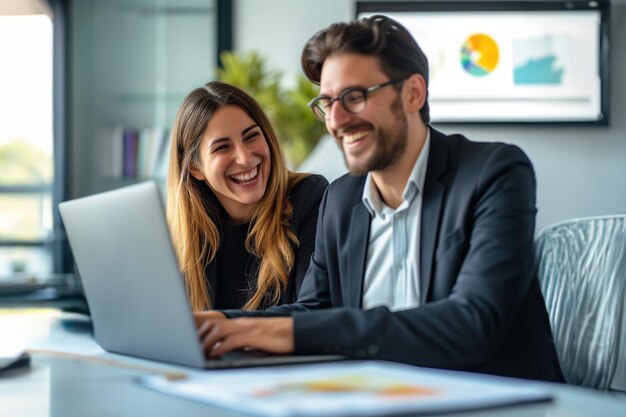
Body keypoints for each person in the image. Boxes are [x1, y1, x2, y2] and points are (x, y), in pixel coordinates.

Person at [194, 16, 564, 382]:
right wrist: (226, 323)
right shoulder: (340, 199)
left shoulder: (494, 173)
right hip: (377, 400)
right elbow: (314, 311)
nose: (336, 120)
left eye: (354, 97)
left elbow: (474, 322)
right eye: (327, 103)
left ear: (413, 93)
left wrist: (287, 334)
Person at [166, 81, 328, 311]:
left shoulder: (309, 197)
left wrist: (222, 325)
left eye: (251, 136)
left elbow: (311, 313)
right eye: (222, 147)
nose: (245, 158)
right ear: (195, 168)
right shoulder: (187, 231)